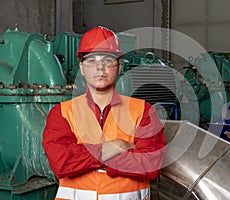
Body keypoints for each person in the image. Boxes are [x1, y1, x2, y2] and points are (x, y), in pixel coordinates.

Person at [42, 26, 166, 200]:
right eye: (91, 60)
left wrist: (85, 158)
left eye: (108, 60)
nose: (100, 67)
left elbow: (150, 165)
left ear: (119, 66)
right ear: (82, 68)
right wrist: (117, 146)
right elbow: (61, 163)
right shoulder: (61, 113)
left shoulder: (143, 111)